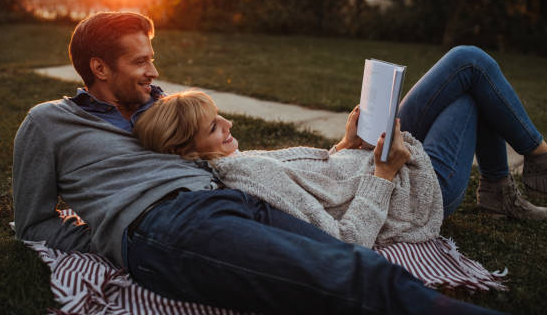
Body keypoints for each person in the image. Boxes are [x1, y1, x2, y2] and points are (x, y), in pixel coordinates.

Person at [11, 11, 547, 314]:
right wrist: (107, 234)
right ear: (99, 68)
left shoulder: (157, 109)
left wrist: (347, 148)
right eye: (140, 62)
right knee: (347, 275)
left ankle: (526, 167)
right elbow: (33, 220)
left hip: (231, 202)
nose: (154, 72)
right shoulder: (48, 123)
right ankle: (529, 169)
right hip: (173, 221)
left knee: (361, 268)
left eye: (153, 59)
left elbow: (249, 166)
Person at [133, 90, 444, 249]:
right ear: (186, 150)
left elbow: (310, 185)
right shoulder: (248, 176)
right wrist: (384, 174)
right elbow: (346, 240)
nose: (229, 125)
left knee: (468, 68)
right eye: (214, 126)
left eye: (220, 115)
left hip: (384, 163)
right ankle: (495, 180)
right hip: (414, 190)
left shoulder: (229, 162)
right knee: (468, 64)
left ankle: (496, 181)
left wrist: (344, 145)